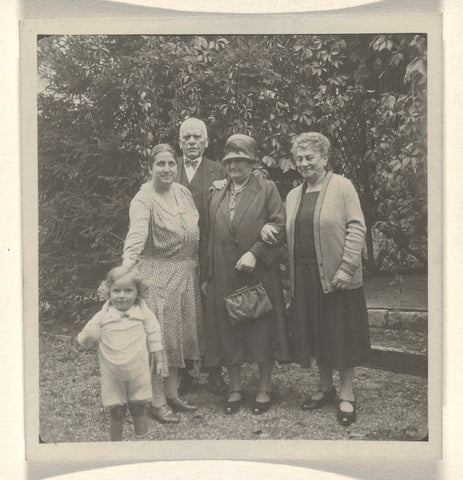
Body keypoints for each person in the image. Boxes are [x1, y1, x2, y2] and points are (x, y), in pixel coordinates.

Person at [274, 132, 370, 426]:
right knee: (317, 332)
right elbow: (289, 231)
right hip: (304, 277)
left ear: (325, 159)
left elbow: (357, 228)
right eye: (299, 159)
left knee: (341, 334)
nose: (303, 164)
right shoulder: (293, 195)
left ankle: (347, 394)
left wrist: (346, 267)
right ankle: (325, 388)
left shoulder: (342, 187)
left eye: (310, 158)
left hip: (336, 276)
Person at [203, 133, 290, 415]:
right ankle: (235, 389)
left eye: (240, 160)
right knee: (228, 332)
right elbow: (208, 235)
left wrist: (256, 252)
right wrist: (208, 275)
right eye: (229, 160)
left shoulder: (266, 189)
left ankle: (264, 389)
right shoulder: (216, 192)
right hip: (224, 274)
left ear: (252, 163)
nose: (234, 166)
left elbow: (279, 225)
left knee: (262, 330)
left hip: (258, 274)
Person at [123, 143, 203, 424]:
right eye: (161, 164)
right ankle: (156, 401)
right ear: (150, 168)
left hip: (185, 276)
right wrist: (124, 270)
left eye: (171, 163)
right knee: (160, 343)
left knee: (178, 338)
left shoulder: (183, 192)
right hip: (158, 279)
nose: (167, 169)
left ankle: (172, 394)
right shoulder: (143, 199)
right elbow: (135, 237)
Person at [77, 266, 165, 441]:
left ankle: (141, 444)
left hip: (138, 372)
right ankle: (115, 448)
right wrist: (88, 338)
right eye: (116, 290)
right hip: (113, 374)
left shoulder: (143, 313)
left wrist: (159, 360)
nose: (122, 295)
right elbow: (84, 338)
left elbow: (155, 335)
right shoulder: (103, 316)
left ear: (138, 292)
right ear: (109, 291)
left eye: (128, 290)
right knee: (117, 412)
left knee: (139, 408)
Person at [176, 117, 228, 395]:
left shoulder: (218, 171)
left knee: (212, 311)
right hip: (178, 255)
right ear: (179, 142)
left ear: (207, 142)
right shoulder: (168, 170)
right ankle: (184, 372)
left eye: (197, 137)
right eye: (187, 137)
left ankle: (214, 370)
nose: (192, 142)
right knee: (183, 311)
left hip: (211, 251)